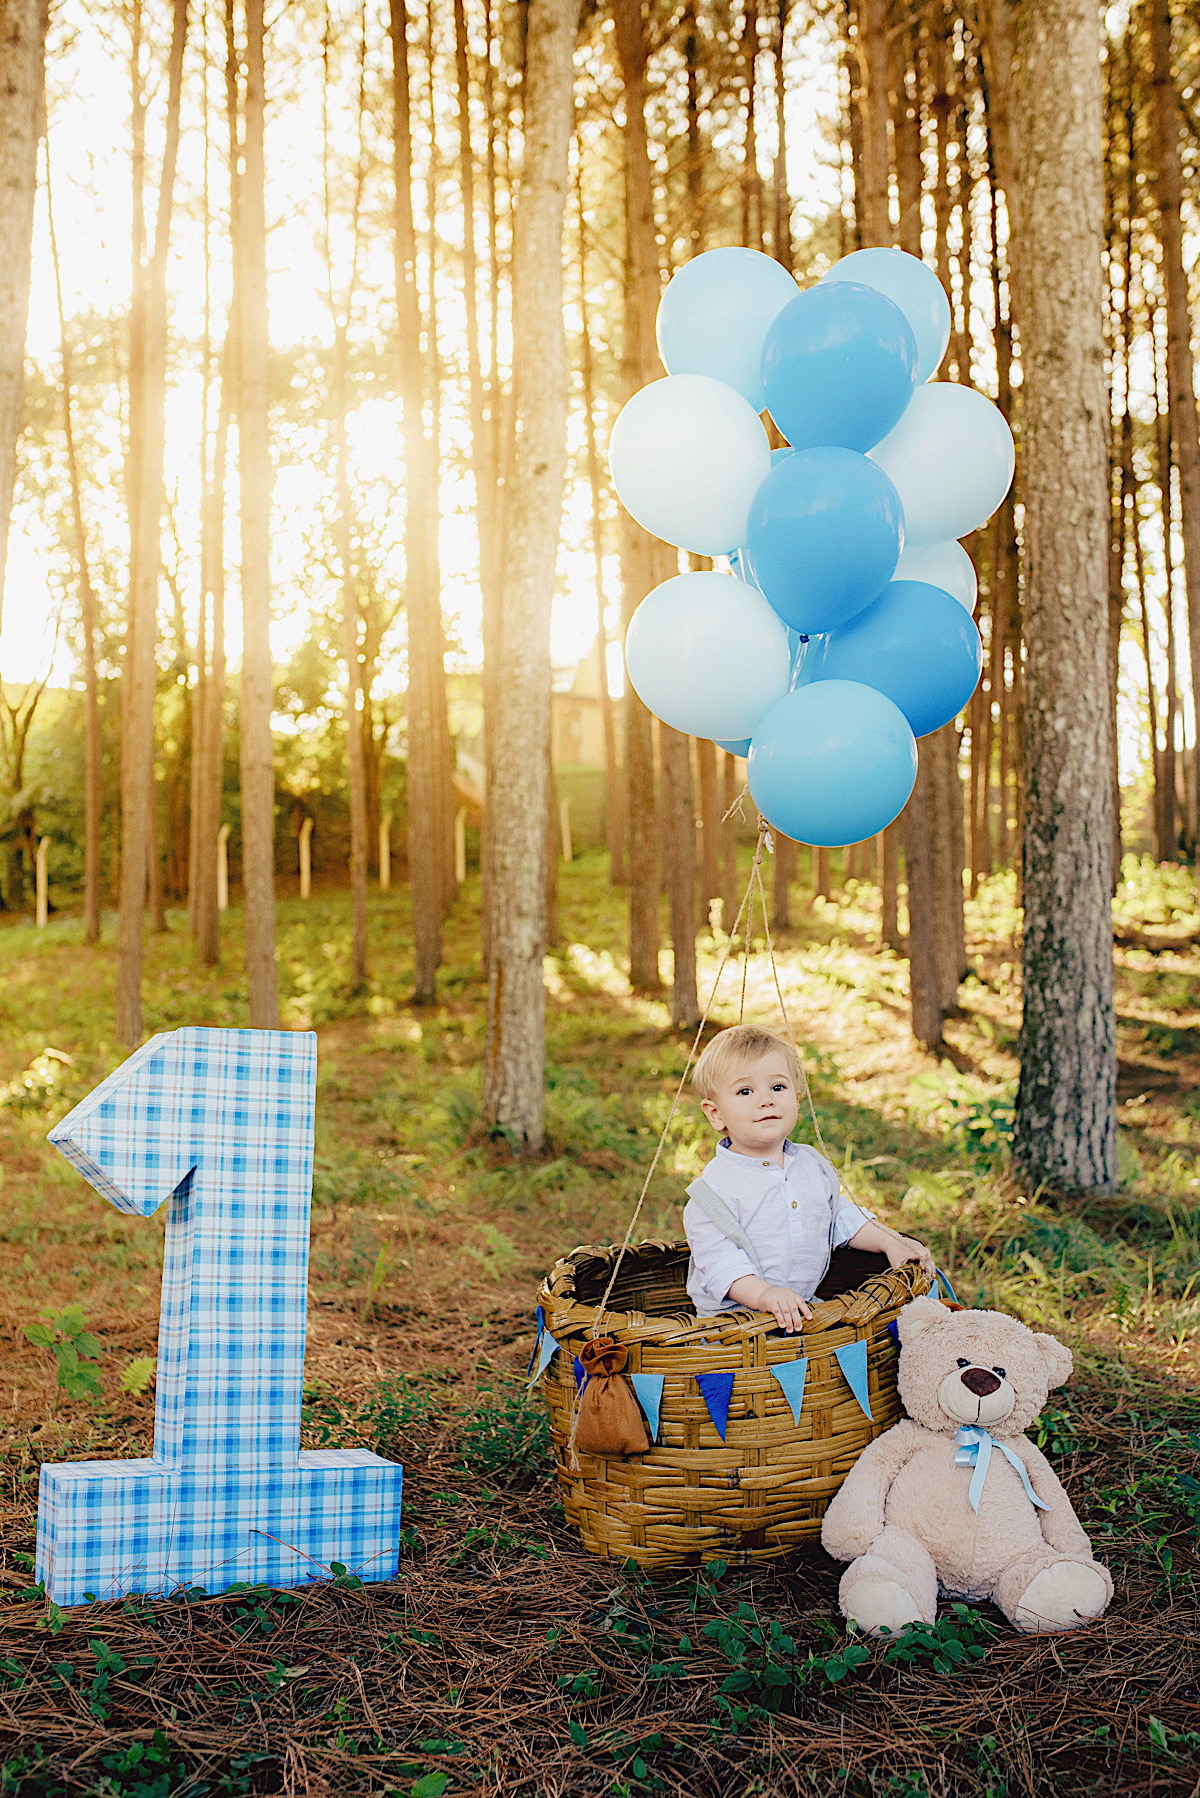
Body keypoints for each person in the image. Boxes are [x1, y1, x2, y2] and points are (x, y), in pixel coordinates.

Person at [684, 1023, 936, 1331]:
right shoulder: (714, 1191)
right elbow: (720, 1264)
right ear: (715, 1114)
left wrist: (890, 1242)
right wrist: (766, 1296)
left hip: (802, 1308)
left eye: (778, 1087)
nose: (766, 1100)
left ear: (798, 1097)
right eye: (745, 1091)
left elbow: (838, 1217)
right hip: (731, 1328)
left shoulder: (809, 1164)